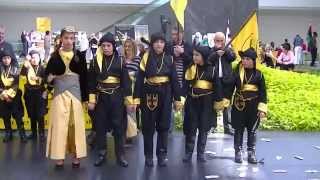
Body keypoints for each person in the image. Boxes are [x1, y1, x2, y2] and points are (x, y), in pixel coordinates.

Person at [133, 32, 183, 167]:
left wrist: (178, 99)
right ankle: (148, 156)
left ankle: (161, 155)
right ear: (152, 44)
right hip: (149, 93)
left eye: (161, 42)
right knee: (148, 127)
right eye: (156, 42)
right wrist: (136, 98)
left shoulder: (170, 58)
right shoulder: (145, 57)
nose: (159, 44)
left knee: (164, 126)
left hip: (166, 93)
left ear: (164, 44)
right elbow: (139, 80)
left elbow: (174, 80)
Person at [88, 32, 135, 167]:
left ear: (113, 46)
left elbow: (126, 82)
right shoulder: (95, 61)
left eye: (108, 45)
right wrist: (91, 100)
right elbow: (91, 82)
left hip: (117, 98)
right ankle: (102, 154)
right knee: (100, 127)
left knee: (119, 127)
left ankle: (120, 155)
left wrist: (129, 101)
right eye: (103, 46)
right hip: (101, 98)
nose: (106, 48)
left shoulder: (120, 61)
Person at [45, 26, 88, 168]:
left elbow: (85, 79)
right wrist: (49, 79)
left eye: (71, 38)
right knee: (59, 125)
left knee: (75, 124)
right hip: (59, 94)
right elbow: (46, 76)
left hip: (76, 94)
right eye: (66, 38)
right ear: (61, 39)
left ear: (74, 39)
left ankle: (77, 154)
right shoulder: (54, 56)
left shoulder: (80, 56)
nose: (69, 41)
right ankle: (59, 155)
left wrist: (86, 98)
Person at [182, 45, 223, 163]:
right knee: (191, 127)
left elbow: (217, 86)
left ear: (203, 56)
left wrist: (218, 101)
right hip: (192, 101)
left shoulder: (212, 69)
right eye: (193, 55)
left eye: (197, 55)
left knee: (204, 128)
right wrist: (181, 98)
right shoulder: (191, 68)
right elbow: (185, 84)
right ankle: (188, 153)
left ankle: (200, 153)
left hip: (206, 103)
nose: (194, 57)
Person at [232, 48, 267, 164]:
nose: (244, 61)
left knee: (252, 130)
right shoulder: (237, 72)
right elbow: (230, 86)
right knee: (238, 129)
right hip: (239, 104)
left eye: (247, 59)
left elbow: (263, 92)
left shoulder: (259, 74)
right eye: (243, 58)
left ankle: (251, 152)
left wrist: (262, 108)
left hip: (253, 105)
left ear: (253, 61)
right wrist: (225, 100)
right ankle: (238, 151)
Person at [208, 32, 236, 135]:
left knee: (226, 104)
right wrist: (216, 54)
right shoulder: (210, 51)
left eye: (221, 41)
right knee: (213, 103)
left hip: (226, 81)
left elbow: (233, 57)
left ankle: (227, 127)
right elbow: (208, 61)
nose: (219, 43)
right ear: (214, 41)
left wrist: (225, 50)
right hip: (214, 81)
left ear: (224, 41)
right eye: (217, 41)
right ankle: (212, 126)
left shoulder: (228, 50)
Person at [168, 27, 192, 132]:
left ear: (182, 34)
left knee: (185, 108)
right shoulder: (168, 46)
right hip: (171, 82)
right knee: (169, 109)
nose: (175, 36)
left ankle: (186, 131)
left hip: (184, 82)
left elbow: (192, 61)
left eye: (177, 34)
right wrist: (174, 54)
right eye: (173, 34)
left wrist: (182, 53)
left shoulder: (189, 46)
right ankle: (168, 131)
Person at [0, 50, 27, 143]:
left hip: (14, 97)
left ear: (11, 59)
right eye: (4, 58)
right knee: (5, 116)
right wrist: (4, 94)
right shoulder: (0, 70)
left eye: (8, 58)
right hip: (3, 97)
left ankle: (22, 134)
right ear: (2, 59)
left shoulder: (16, 69)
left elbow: (16, 85)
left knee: (18, 116)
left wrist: (9, 96)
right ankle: (8, 133)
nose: (6, 60)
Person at [20, 50, 47, 141]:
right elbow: (22, 73)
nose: (34, 59)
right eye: (32, 58)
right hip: (29, 94)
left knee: (40, 115)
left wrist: (38, 79)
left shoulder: (42, 68)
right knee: (32, 114)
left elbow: (47, 80)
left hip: (40, 94)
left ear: (39, 58)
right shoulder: (28, 67)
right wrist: (25, 62)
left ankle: (42, 133)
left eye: (36, 57)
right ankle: (34, 133)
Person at [123, 38, 141, 143]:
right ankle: (124, 133)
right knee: (122, 111)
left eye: (129, 46)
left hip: (134, 87)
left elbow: (139, 75)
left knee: (131, 111)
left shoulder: (138, 59)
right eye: (125, 46)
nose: (127, 48)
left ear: (133, 47)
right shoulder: (121, 59)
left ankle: (130, 134)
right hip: (123, 87)